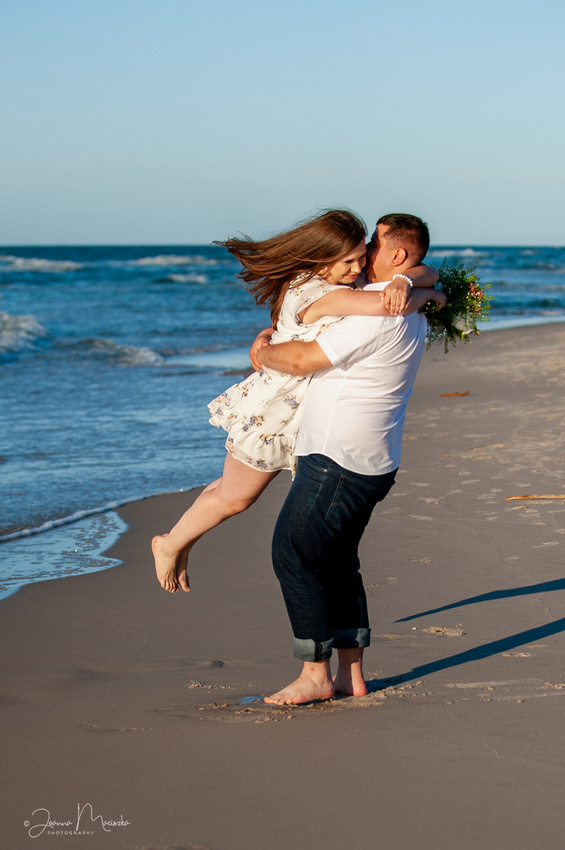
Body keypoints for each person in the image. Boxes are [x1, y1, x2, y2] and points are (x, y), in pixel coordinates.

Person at [152, 210, 442, 594]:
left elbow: (424, 272)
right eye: (351, 259)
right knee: (235, 498)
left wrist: (410, 278)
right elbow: (386, 306)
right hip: (275, 410)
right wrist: (430, 294)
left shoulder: (319, 279)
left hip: (295, 408)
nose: (359, 266)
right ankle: (168, 544)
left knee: (230, 489)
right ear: (323, 256)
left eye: (364, 253)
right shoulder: (321, 293)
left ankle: (179, 541)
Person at [249, 213, 443, 706]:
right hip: (374, 459)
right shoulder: (405, 307)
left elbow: (300, 361)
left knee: (294, 553)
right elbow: (432, 284)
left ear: (397, 255)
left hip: (339, 458)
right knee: (337, 562)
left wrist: (264, 348)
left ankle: (315, 674)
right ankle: (349, 675)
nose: (361, 255)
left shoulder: (375, 316)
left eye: (371, 246)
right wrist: (420, 285)